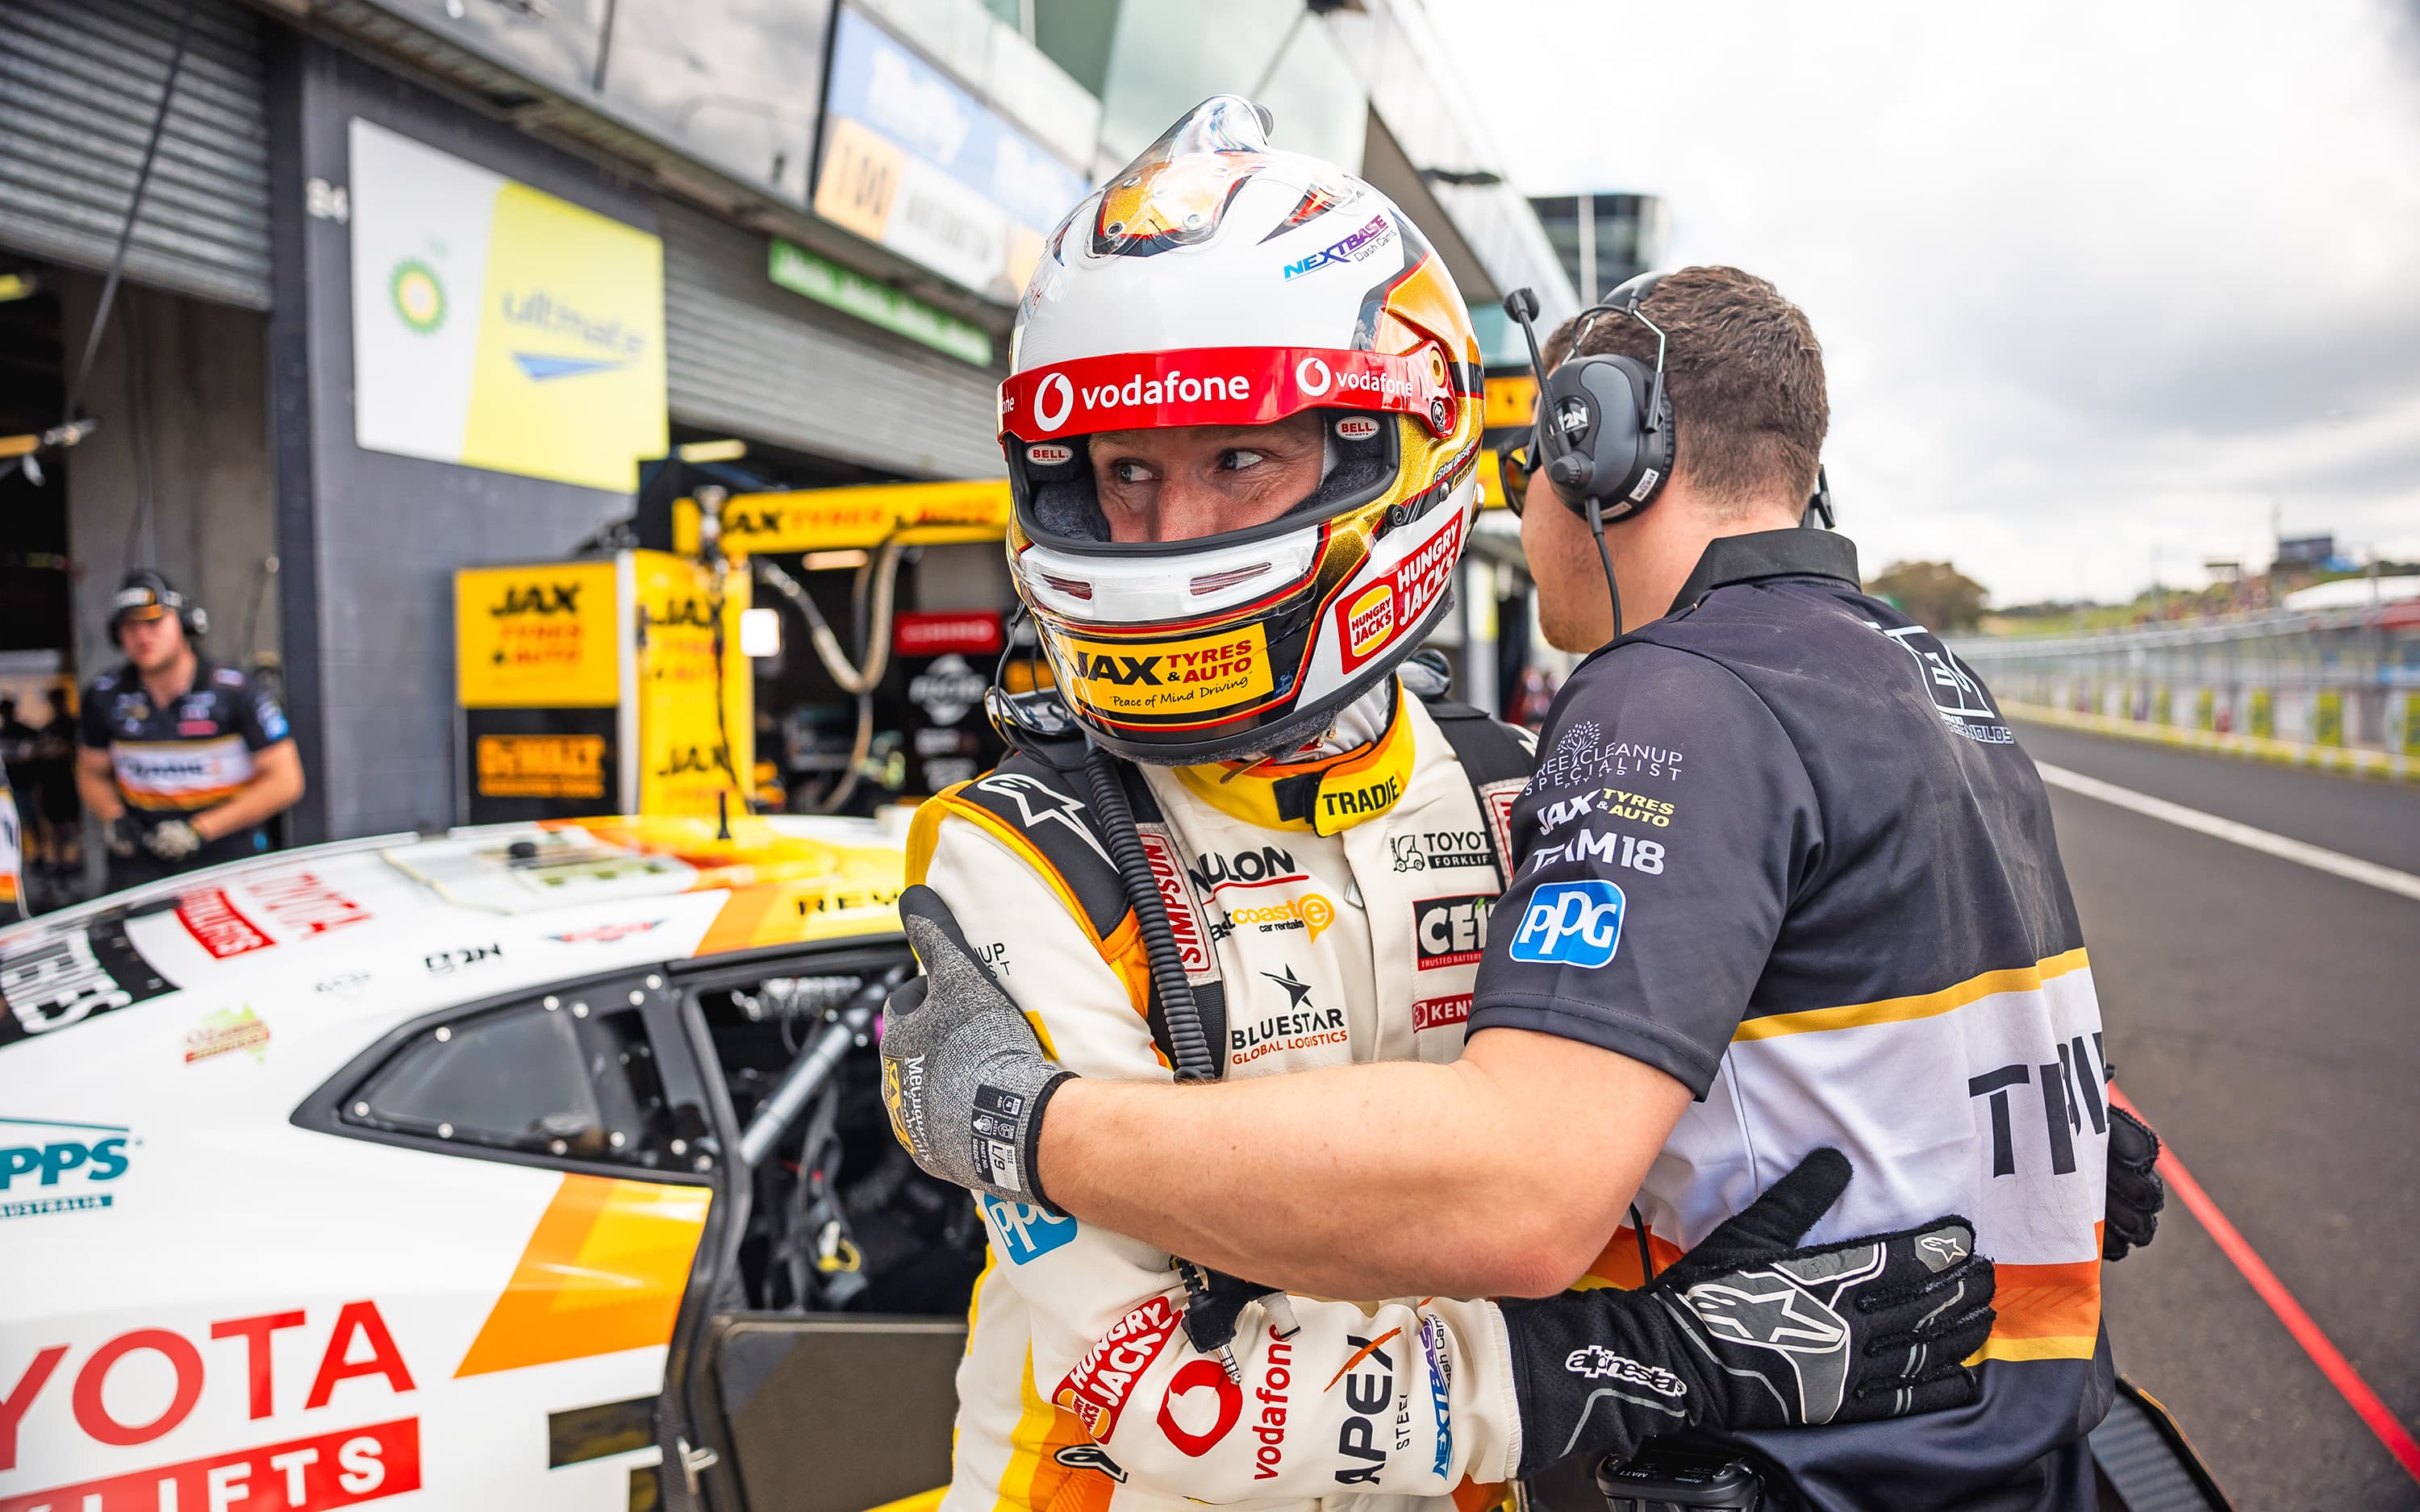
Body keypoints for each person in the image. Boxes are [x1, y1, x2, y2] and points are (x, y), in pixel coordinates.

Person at [882, 258, 2171, 1510]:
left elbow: (1573, 1153)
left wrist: (1965, 1154)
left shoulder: (1526, 776)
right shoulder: (1020, 843)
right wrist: (1655, 1354)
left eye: (1236, 458)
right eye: (1124, 472)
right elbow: (1169, 1401)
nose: (1171, 530)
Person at [77, 570, 303, 891]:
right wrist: (113, 817)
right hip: (138, 864)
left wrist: (199, 830)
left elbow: (287, 781)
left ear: (183, 623)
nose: (142, 637)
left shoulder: (237, 690)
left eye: (153, 623)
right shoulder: (102, 695)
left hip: (228, 860)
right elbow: (91, 772)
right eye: (129, 627)